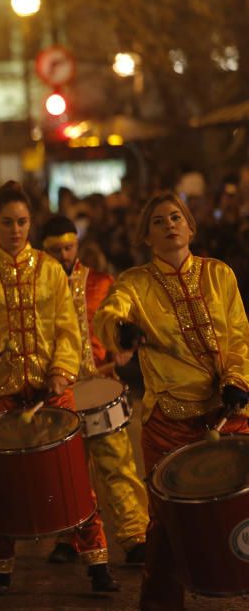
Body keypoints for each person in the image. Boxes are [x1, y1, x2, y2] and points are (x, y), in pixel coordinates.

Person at [0, 181, 119, 595]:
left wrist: (61, 371)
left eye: (22, 222)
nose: (15, 230)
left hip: (51, 387)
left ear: (31, 223)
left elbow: (67, 327)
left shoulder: (48, 268)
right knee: (0, 480)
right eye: (7, 222)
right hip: (0, 388)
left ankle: (96, 564)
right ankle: (0, 570)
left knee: (72, 475)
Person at [93, 191, 249, 611]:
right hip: (169, 424)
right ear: (146, 236)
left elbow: (238, 336)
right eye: (158, 221)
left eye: (176, 217)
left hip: (228, 412)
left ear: (191, 226)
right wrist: (121, 332)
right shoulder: (134, 283)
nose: (169, 225)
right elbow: (108, 313)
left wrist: (237, 379)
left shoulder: (220, 275)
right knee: (166, 528)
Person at [40, 216, 148, 565]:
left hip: (99, 387)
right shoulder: (37, 288)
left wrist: (123, 343)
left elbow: (121, 320)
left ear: (77, 245)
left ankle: (135, 536)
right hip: (59, 391)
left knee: (117, 464)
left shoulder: (101, 282)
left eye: (68, 247)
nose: (63, 255)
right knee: (68, 472)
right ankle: (70, 535)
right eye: (54, 250)